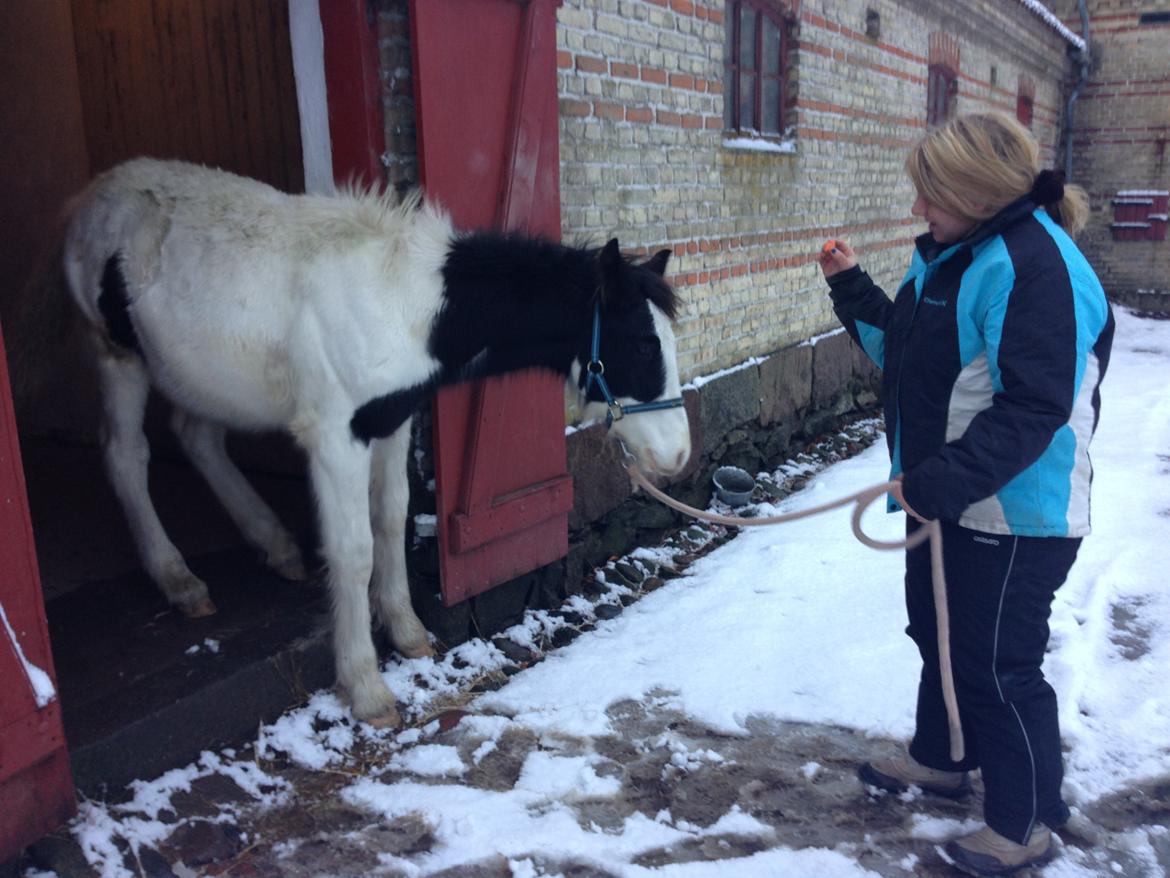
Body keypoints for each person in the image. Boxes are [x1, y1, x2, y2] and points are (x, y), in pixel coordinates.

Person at [817, 111, 1114, 877]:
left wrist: (937, 483)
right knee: (940, 641)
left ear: (976, 191)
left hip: (1016, 514)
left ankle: (1025, 822)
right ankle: (942, 758)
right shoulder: (958, 255)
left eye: (930, 192)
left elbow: (1035, 406)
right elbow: (908, 355)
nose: (919, 208)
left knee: (996, 665)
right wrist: (850, 289)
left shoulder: (1033, 265)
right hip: (948, 498)